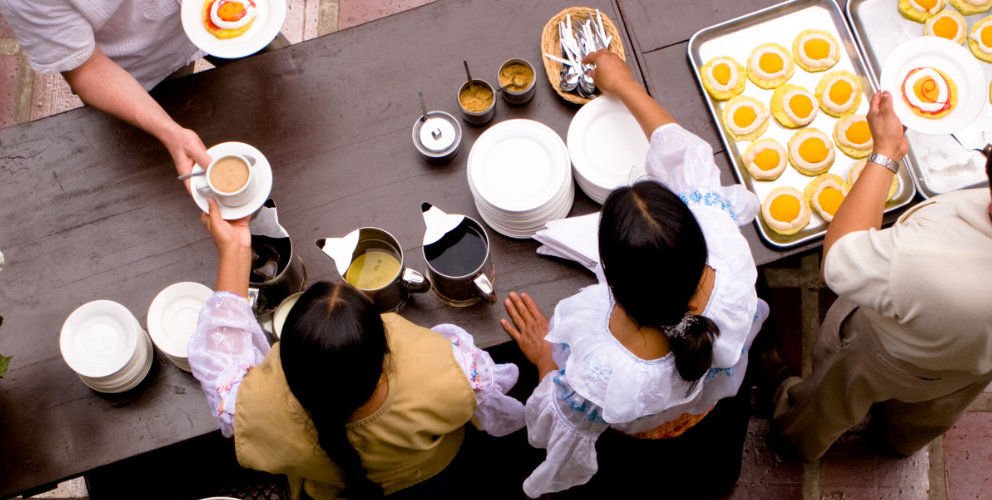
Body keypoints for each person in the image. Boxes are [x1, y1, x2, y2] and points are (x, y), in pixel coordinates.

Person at [500, 49, 769, 498]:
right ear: (696, 238)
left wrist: (544, 358)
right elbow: (687, 156)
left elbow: (555, 423)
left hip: (645, 440)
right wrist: (624, 84)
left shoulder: (600, 374)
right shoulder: (725, 243)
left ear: (609, 278)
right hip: (718, 397)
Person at [187, 199, 526, 499]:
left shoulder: (255, 408)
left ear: (285, 365)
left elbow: (221, 355)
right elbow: (488, 406)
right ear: (385, 352)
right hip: (440, 478)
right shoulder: (452, 370)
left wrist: (235, 250)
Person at [772, 90, 992, 461]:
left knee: (834, 395)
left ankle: (800, 437)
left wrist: (886, 153)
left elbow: (840, 259)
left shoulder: (928, 257)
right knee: (936, 407)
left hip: (886, 352)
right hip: (975, 362)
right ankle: (903, 442)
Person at [0, 0, 281, 184]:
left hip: (230, 10)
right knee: (161, 173)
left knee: (287, 75)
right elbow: (86, 68)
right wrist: (169, 130)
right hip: (138, 70)